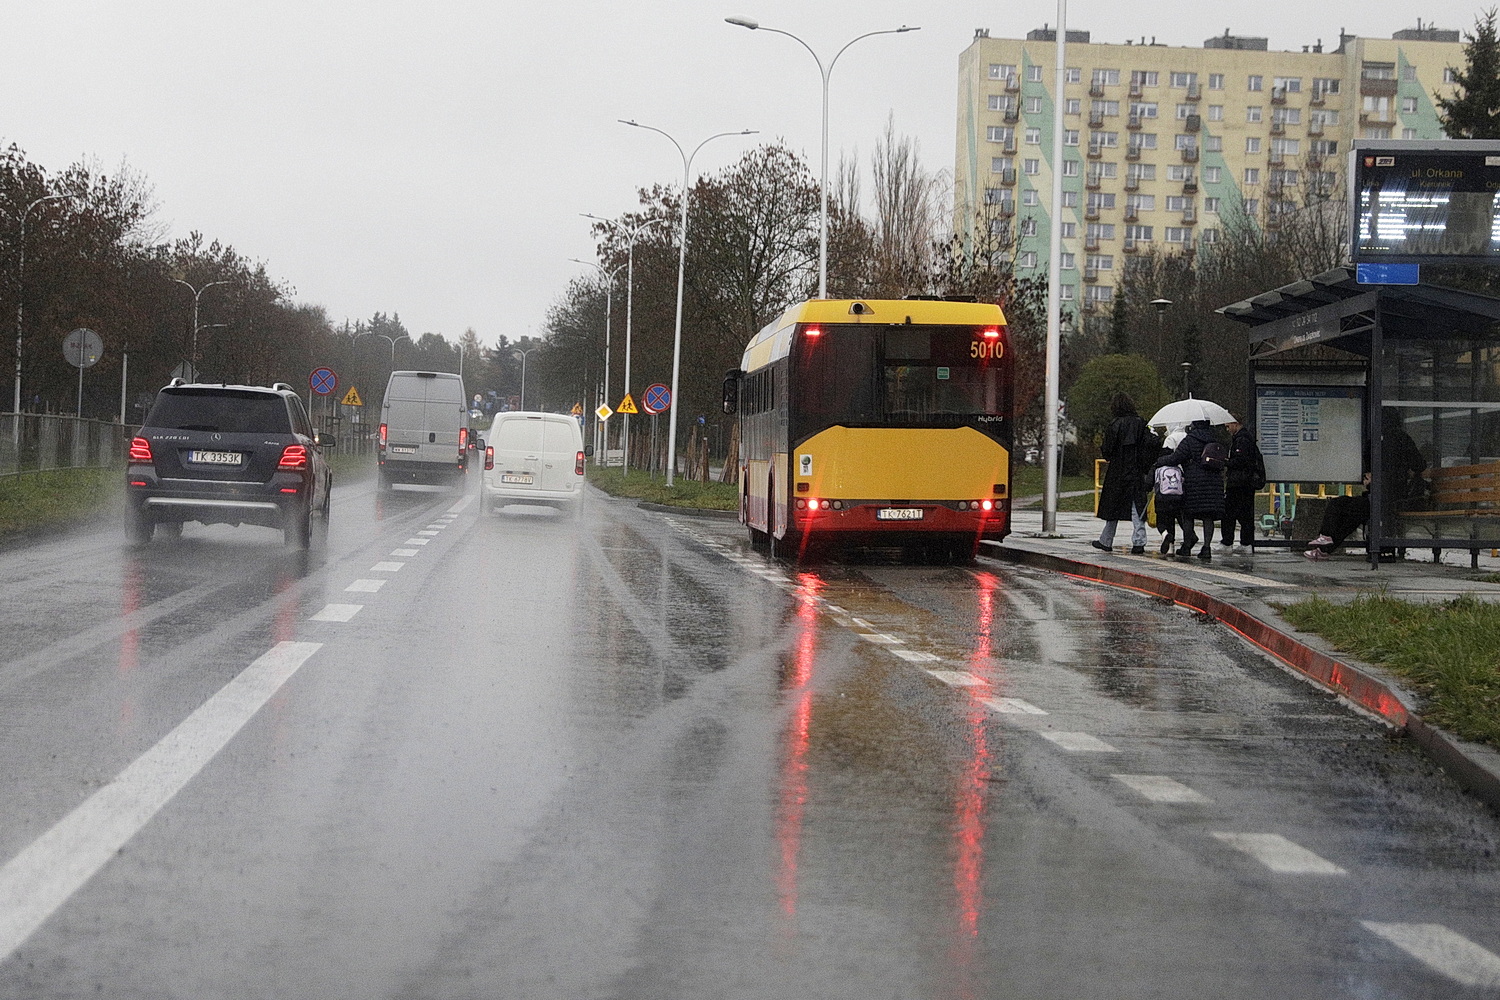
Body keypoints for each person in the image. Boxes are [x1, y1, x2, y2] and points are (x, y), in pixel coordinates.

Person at [1092, 393, 1157, 555]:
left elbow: (1107, 451)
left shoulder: (1114, 424)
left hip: (1117, 471)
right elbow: (1150, 446)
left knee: (1113, 507)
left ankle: (1106, 540)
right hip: (1136, 471)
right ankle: (1139, 542)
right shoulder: (1141, 424)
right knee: (1137, 507)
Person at [1155, 418, 1225, 561]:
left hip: (1194, 482)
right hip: (1214, 482)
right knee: (1208, 516)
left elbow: (1176, 458)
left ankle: (1186, 547)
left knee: (1188, 515)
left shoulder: (1190, 440)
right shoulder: (1215, 440)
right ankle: (1207, 548)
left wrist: (1160, 461)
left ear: (1194, 425)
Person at [1221, 420, 1267, 553]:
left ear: (1235, 423)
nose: (1227, 429)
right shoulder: (1245, 437)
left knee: (1229, 513)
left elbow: (1241, 460)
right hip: (1246, 482)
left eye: (1228, 426)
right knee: (1246, 514)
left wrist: (1226, 462)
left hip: (1239, 482)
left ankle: (1227, 542)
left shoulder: (1242, 440)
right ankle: (1246, 543)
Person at [1305, 473, 1372, 559]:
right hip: (1370, 501)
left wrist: (1370, 483)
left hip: (1373, 503)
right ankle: (1325, 543)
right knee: (1343, 513)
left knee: (1347, 514)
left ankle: (1325, 544)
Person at [1153, 429, 1186, 554]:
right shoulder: (1177, 467)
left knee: (1162, 521)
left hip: (1162, 498)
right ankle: (1184, 538)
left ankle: (1166, 535)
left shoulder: (1157, 466)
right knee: (1175, 517)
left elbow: (1148, 483)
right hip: (1177, 497)